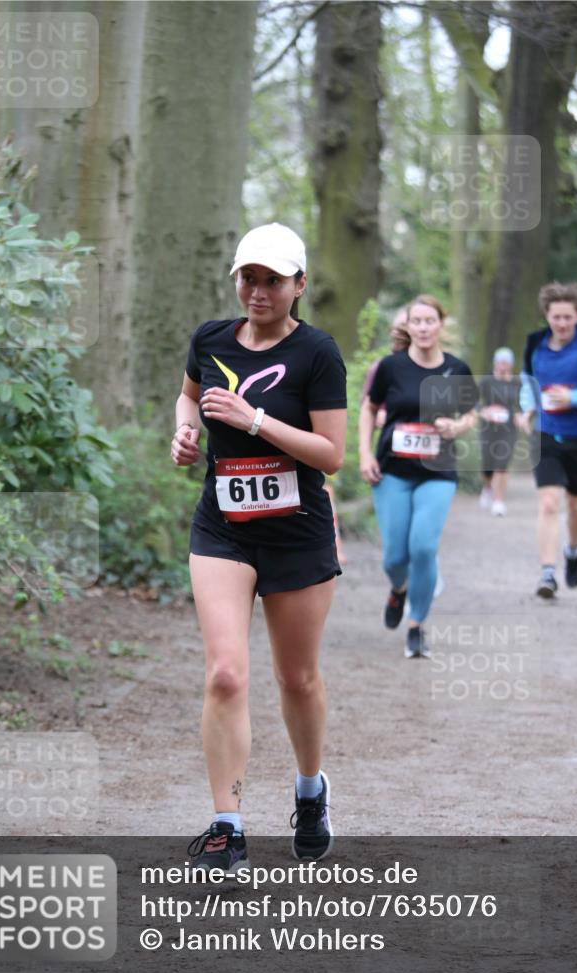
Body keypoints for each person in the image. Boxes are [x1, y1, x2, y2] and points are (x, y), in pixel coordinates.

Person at [171, 223, 347, 871]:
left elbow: (331, 456)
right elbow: (188, 400)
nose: (258, 290)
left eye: (273, 279)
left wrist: (255, 421)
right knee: (224, 673)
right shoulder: (211, 339)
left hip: (297, 531)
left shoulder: (318, 354)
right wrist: (184, 435)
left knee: (295, 678)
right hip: (222, 526)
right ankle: (227, 823)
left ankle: (309, 790)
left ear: (298, 285)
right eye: (248, 276)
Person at [359, 295, 478, 658]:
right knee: (395, 557)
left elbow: (472, 414)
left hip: (437, 471)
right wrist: (364, 452)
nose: (424, 328)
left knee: (423, 547)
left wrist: (455, 427)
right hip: (392, 469)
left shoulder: (457, 369)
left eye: (430, 321)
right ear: (407, 327)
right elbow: (369, 408)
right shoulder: (390, 367)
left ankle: (417, 626)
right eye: (417, 321)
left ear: (441, 325)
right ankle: (399, 590)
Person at [517, 282, 577, 598]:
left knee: (575, 505)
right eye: (556, 317)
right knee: (548, 502)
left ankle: (572, 551)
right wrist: (527, 408)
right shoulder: (535, 345)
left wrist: (573, 397)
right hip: (546, 436)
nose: (561, 323)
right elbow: (527, 383)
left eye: (567, 318)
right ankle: (547, 573)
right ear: (546, 315)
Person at [478, 347, 523, 516]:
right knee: (488, 463)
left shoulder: (517, 383)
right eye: (500, 363)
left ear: (511, 365)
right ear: (495, 363)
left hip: (508, 428)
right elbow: (473, 400)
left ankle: (498, 501)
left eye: (506, 363)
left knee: (502, 463)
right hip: (488, 427)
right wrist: (484, 411)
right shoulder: (487, 381)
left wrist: (521, 415)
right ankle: (487, 486)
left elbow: (522, 404)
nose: (502, 366)